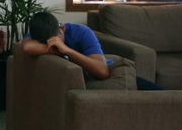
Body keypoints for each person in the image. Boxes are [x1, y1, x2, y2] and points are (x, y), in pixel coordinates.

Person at [19, 11, 161, 90]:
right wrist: (55, 49)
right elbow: (26, 47)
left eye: (56, 40)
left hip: (109, 65)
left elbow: (103, 72)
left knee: (156, 93)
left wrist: (67, 50)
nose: (53, 44)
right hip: (88, 73)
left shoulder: (81, 32)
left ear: (62, 28)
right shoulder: (39, 32)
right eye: (48, 43)